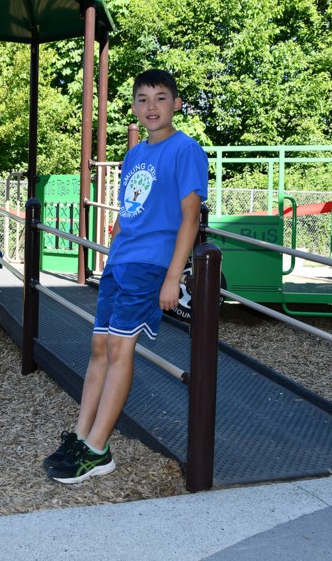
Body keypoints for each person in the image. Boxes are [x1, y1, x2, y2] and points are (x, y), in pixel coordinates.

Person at [44, 69, 209, 484]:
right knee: (99, 346)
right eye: (142, 99)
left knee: (120, 350)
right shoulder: (135, 153)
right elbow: (127, 213)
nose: (150, 107)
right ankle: (83, 435)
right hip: (121, 263)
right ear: (133, 106)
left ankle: (99, 448)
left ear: (177, 104)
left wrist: (174, 276)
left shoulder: (185, 150)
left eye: (160, 98)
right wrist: (110, 257)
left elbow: (191, 217)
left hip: (151, 264)